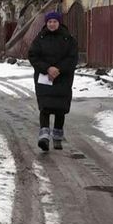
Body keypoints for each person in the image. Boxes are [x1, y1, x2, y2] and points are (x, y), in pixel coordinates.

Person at [28, 11, 78, 151]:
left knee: (60, 108)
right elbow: (33, 56)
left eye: (54, 21)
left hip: (63, 77)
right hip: (44, 77)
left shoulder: (68, 39)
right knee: (45, 107)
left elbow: (72, 58)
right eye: (49, 22)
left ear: (59, 22)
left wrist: (58, 69)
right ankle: (44, 136)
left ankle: (57, 136)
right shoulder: (40, 38)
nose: (52, 24)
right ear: (46, 23)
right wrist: (47, 68)